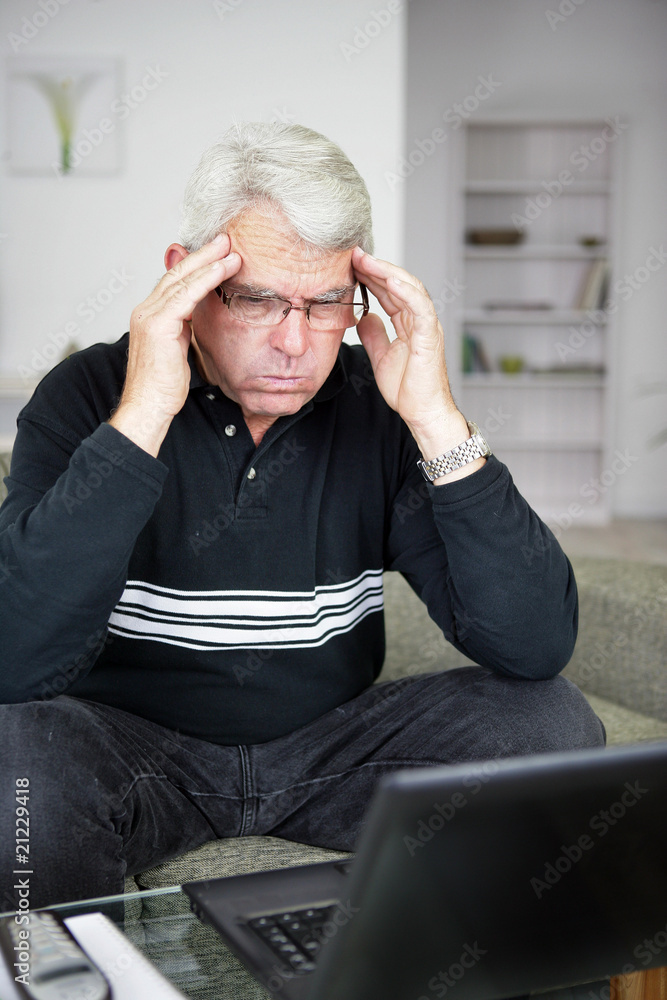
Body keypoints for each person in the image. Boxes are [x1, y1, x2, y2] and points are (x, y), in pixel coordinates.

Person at [0, 122, 604, 911]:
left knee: (549, 724)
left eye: (324, 304)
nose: (294, 343)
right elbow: (16, 663)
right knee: (18, 755)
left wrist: (433, 418)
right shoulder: (87, 394)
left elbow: (533, 645)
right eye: (257, 300)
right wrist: (144, 412)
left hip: (334, 749)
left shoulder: (376, 409)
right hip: (138, 754)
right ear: (185, 279)